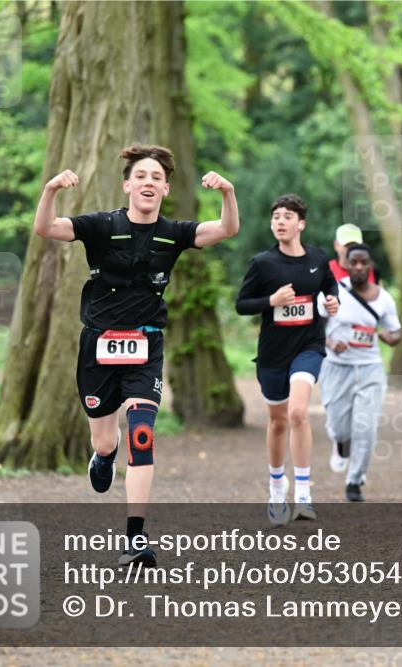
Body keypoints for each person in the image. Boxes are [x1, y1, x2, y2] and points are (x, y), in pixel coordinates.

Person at [34, 144, 239, 567]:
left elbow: (226, 230)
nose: (148, 182)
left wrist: (227, 193)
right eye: (141, 176)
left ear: (165, 189)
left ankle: (135, 538)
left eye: (156, 178)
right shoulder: (100, 226)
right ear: (128, 185)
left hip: (146, 345)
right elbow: (46, 229)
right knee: (106, 438)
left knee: (141, 434)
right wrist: (52, 189)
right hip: (98, 344)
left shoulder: (174, 233)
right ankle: (104, 456)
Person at [235, 194, 339, 525]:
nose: (280, 221)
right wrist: (272, 299)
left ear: (301, 224)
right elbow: (242, 304)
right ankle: (277, 488)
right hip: (272, 354)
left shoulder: (318, 258)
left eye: (287, 216)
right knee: (278, 421)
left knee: (297, 413)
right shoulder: (263, 263)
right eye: (275, 217)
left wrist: (332, 302)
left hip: (308, 346)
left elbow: (329, 287)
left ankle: (304, 495)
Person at [317, 243, 401, 502]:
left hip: (370, 370)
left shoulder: (385, 299)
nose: (359, 267)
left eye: (364, 262)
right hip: (336, 368)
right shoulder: (331, 293)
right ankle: (341, 447)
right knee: (340, 429)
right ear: (347, 264)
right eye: (354, 262)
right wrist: (330, 343)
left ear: (370, 265)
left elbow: (396, 331)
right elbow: (312, 328)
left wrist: (391, 338)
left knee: (366, 427)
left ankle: (355, 481)